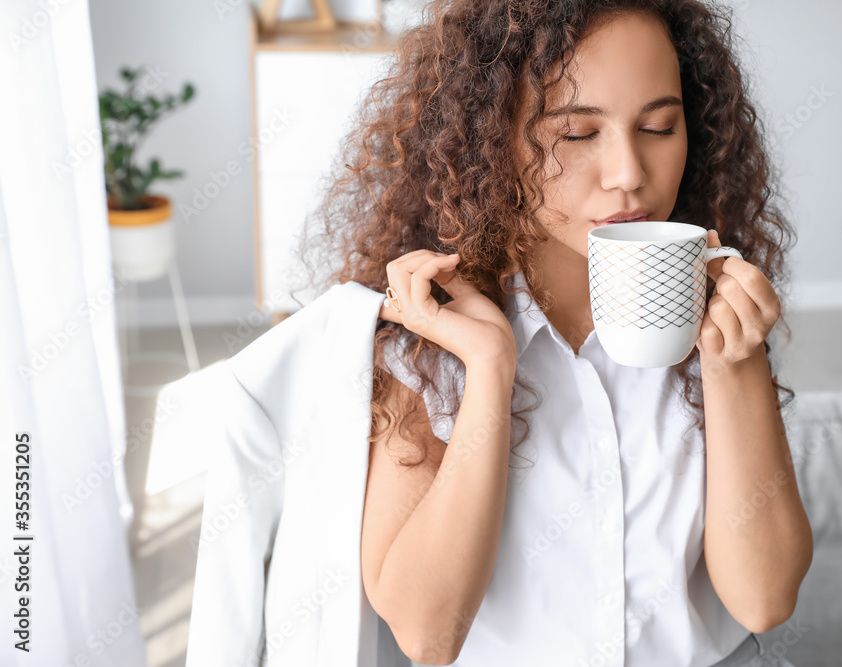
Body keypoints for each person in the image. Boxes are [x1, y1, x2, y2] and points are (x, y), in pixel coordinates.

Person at [294, 1, 811, 665]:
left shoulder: (715, 320)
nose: (629, 171)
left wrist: (734, 364)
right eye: (575, 134)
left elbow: (764, 599)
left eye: (659, 126)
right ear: (490, 140)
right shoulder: (425, 342)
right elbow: (427, 634)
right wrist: (488, 371)